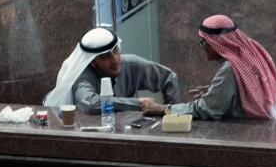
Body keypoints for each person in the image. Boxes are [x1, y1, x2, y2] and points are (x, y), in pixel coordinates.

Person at [142, 15, 276, 120]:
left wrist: (164, 109)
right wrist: (217, 92)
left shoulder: (230, 68)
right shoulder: (249, 52)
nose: (202, 46)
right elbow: (247, 90)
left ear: (219, 43)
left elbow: (207, 109)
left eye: (204, 42)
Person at [44, 27, 179, 115]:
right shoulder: (82, 77)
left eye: (116, 50)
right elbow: (92, 104)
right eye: (105, 56)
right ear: (92, 61)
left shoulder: (131, 64)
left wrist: (171, 113)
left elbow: (169, 78)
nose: (115, 60)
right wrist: (139, 104)